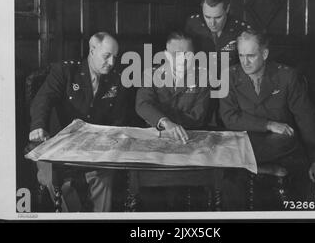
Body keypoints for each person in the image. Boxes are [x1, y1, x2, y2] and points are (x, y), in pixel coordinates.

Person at [220, 28, 315, 208]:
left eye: (251, 56)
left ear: (264, 53)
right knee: (229, 184)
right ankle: (261, 169)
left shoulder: (287, 76)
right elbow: (229, 118)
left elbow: (306, 118)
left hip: (283, 148)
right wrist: (268, 124)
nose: (245, 62)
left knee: (311, 183)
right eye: (241, 55)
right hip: (245, 145)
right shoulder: (229, 76)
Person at [29, 32, 127, 212]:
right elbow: (43, 100)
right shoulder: (66, 71)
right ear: (92, 50)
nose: (112, 63)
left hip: (95, 146)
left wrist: (112, 138)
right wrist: (38, 126)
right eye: (107, 56)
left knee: (104, 176)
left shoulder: (116, 78)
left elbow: (118, 117)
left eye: (115, 57)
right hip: (58, 144)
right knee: (56, 180)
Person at [184, 0, 251, 127]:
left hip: (230, 90)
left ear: (227, 9)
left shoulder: (241, 29)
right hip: (201, 90)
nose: (212, 23)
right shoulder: (192, 24)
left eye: (218, 17)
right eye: (207, 17)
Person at [136, 31, 210, 142]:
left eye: (187, 54)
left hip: (189, 135)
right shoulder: (150, 74)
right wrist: (165, 122)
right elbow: (142, 105)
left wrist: (164, 118)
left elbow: (198, 116)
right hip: (156, 134)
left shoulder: (203, 76)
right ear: (166, 55)